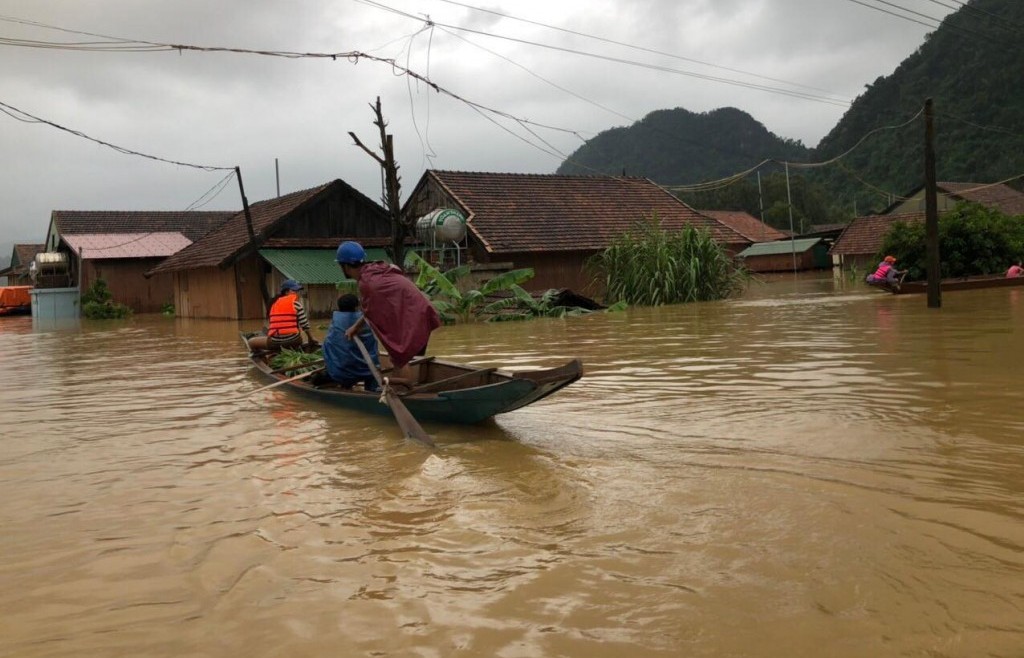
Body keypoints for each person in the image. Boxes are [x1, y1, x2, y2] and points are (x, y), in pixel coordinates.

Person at [335, 240, 441, 382]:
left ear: (346, 266)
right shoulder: (375, 270)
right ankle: (409, 387)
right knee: (401, 357)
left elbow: (375, 316)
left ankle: (403, 393)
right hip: (421, 313)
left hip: (413, 316)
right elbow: (371, 311)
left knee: (399, 358)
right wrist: (356, 327)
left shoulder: (367, 283)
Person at [320, 293, 380, 391]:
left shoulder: (336, 321)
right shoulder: (364, 320)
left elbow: (328, 346)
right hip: (368, 371)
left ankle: (345, 385)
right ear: (357, 306)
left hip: (341, 372)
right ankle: (372, 389)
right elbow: (373, 345)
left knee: (327, 345)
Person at [247, 279, 318, 352]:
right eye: (294, 291)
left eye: (298, 291)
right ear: (286, 292)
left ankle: (264, 357)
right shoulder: (297, 305)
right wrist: (311, 338)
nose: (297, 293)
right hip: (295, 341)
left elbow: (273, 324)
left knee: (251, 342)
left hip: (275, 342)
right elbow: (305, 325)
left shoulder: (274, 304)